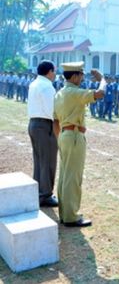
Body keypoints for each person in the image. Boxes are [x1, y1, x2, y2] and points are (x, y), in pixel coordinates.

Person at [53, 63, 104, 227]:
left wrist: (60, 138)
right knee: (73, 177)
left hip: (64, 134)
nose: (82, 78)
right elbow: (100, 94)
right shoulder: (73, 92)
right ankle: (71, 216)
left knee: (65, 175)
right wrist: (102, 79)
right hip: (74, 135)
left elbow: (55, 121)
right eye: (81, 75)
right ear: (74, 76)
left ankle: (64, 214)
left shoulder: (60, 93)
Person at [27, 60, 58, 207]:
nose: (55, 74)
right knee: (48, 160)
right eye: (54, 71)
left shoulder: (34, 83)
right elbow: (51, 110)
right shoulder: (47, 86)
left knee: (39, 160)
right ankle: (45, 194)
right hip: (44, 125)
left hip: (34, 123)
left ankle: (39, 191)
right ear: (49, 71)